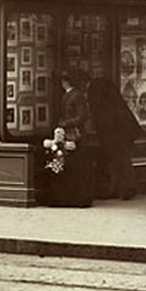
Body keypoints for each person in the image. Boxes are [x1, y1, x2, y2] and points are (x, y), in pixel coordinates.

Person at [87, 77, 140, 200]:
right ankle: (122, 187)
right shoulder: (113, 101)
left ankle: (124, 188)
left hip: (115, 136)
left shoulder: (103, 106)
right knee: (121, 161)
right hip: (122, 134)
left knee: (119, 161)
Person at [47, 70, 94, 207]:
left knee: (75, 165)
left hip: (75, 134)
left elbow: (82, 116)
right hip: (67, 133)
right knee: (69, 166)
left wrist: (65, 123)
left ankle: (78, 197)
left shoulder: (76, 96)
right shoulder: (69, 95)